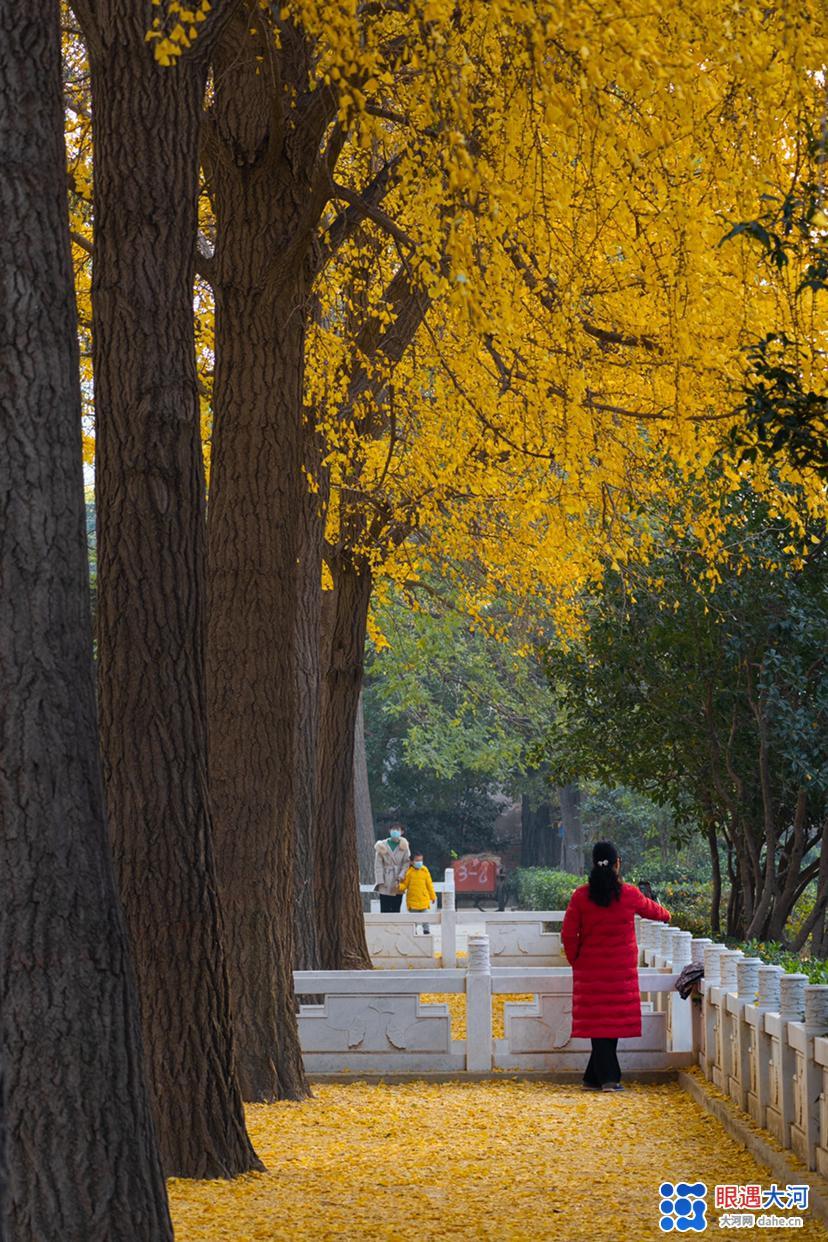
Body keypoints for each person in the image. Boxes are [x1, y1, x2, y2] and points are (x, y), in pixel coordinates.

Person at [561, 840, 671, 1092]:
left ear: (592, 864)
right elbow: (654, 911)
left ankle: (592, 1078)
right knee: (610, 1021)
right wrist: (667, 914)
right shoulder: (630, 894)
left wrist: (575, 959)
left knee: (601, 1022)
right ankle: (610, 1078)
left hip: (589, 971)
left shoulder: (580, 896)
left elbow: (568, 934)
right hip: (620, 972)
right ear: (617, 864)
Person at [374, 823, 410, 913]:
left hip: (398, 881)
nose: (395, 832)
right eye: (393, 829)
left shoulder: (404, 846)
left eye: (397, 830)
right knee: (385, 908)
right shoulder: (382, 845)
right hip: (385, 879)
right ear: (389, 831)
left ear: (402, 832)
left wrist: (401, 876)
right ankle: (384, 926)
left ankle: (395, 926)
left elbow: (406, 863)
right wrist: (380, 880)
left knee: (396, 907)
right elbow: (378, 865)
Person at [399, 851, 436, 932]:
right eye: (417, 860)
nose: (419, 862)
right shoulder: (409, 872)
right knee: (413, 920)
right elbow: (405, 885)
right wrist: (399, 886)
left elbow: (429, 885)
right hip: (413, 901)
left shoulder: (425, 870)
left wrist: (433, 896)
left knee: (425, 918)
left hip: (424, 900)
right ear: (412, 862)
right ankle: (413, 932)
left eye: (421, 860)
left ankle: (426, 931)